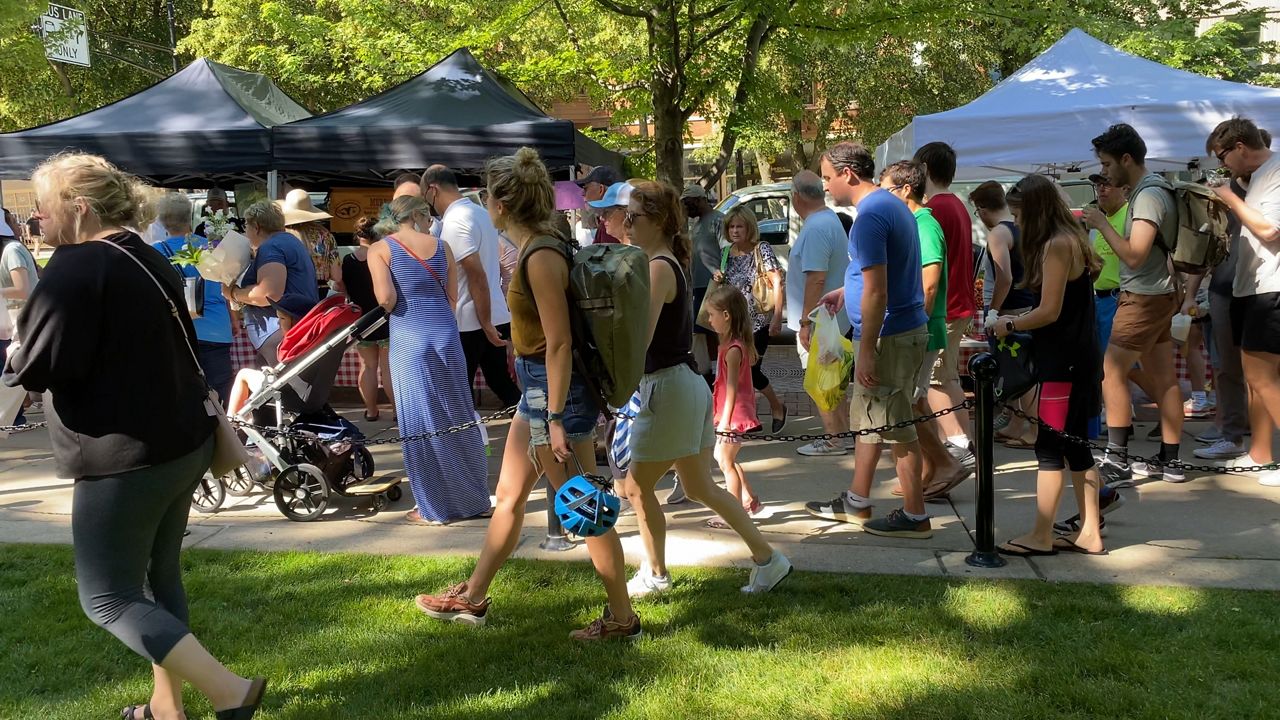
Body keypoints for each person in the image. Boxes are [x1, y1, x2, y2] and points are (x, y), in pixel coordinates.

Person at [3, 152, 266, 720]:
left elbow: (42, 365)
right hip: (180, 442)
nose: (36, 224)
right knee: (158, 575)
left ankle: (229, 691)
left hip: (124, 456)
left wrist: (20, 349)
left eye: (42, 212)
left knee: (107, 597)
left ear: (78, 209)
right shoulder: (143, 253)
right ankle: (166, 707)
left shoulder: (77, 266)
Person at [415, 148, 639, 640]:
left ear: (501, 201)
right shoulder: (544, 243)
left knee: (585, 506)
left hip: (554, 396)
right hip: (541, 392)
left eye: (487, 193)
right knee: (511, 496)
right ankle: (473, 597)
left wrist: (556, 417)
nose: (483, 200)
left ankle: (622, 619)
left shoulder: (539, 254)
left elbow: (559, 342)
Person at [619, 179, 791, 597]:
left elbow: (638, 339)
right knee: (699, 487)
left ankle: (655, 574)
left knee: (637, 487)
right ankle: (768, 559)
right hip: (683, 386)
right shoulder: (661, 262)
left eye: (633, 216)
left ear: (657, 221)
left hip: (668, 389)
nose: (625, 223)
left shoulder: (659, 265)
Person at [806, 141, 932, 539]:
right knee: (871, 424)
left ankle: (915, 515)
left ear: (848, 174)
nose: (826, 187)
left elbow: (877, 291)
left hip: (888, 337)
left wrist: (866, 350)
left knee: (898, 428)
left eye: (827, 178)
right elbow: (876, 275)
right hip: (895, 331)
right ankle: (856, 501)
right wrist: (847, 292)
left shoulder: (871, 217)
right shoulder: (889, 206)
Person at [992, 173, 1106, 555]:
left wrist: (1009, 323)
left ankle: (1042, 534)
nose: (1018, 223)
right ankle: (1089, 531)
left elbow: (1049, 311)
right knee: (1075, 447)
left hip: (1064, 365)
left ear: (1038, 211)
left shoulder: (1056, 244)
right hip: (1076, 357)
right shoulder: (1073, 239)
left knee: (1050, 447)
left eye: (1021, 215)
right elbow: (1087, 279)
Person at [367, 196, 491, 523]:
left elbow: (386, 299)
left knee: (420, 422)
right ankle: (474, 499)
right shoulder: (442, 247)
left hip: (410, 337)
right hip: (446, 336)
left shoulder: (380, 249)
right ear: (420, 215)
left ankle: (433, 506)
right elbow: (452, 298)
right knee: (458, 416)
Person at [1085, 123, 1185, 484]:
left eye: (1108, 164)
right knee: (1164, 378)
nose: (1106, 173)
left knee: (1112, 372)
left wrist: (1100, 223)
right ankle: (1170, 461)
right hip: (1158, 294)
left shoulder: (1147, 195)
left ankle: (1117, 458)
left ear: (1127, 159)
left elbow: (1134, 255)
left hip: (1143, 296)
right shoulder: (1153, 189)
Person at [880, 161, 970, 499]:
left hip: (922, 329)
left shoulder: (924, 225)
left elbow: (929, 285)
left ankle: (944, 464)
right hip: (919, 328)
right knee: (915, 403)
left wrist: (913, 329)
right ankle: (934, 469)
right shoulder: (912, 223)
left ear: (905, 190)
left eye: (886, 188)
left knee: (908, 404)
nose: (881, 196)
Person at [1206, 116, 1280, 488]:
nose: (1222, 165)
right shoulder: (1256, 178)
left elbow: (1269, 230)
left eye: (1222, 156)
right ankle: (1260, 453)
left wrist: (1230, 198)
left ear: (1239, 147)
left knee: (1264, 379)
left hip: (1273, 288)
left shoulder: (1277, 171)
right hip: (1252, 288)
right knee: (1255, 378)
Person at [422, 164, 521, 409]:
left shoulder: (456, 221)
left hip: (472, 320)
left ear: (433, 189)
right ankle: (531, 429)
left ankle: (463, 442)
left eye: (424, 194)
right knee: (500, 382)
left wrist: (485, 323)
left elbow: (475, 273)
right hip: (490, 313)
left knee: (459, 389)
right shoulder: (478, 212)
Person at [913, 141, 975, 466]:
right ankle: (963, 449)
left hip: (943, 308)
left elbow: (930, 271)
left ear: (923, 169)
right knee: (948, 378)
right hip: (957, 304)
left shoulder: (935, 208)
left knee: (934, 382)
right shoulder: (957, 205)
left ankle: (957, 447)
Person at [970, 180, 1040, 449]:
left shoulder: (999, 233)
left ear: (982, 208)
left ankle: (1034, 430)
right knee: (1015, 371)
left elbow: (1004, 277)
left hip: (1010, 309)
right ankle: (1016, 424)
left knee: (1022, 373)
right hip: (1024, 305)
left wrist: (994, 311)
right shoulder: (1019, 228)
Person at [788, 170, 853, 457]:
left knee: (821, 381)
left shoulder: (816, 227)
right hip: (830, 318)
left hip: (821, 321)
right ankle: (843, 435)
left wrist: (805, 322)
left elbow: (816, 278)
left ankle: (833, 439)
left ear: (796, 197)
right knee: (832, 380)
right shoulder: (827, 221)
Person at [711, 205, 788, 432]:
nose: (735, 231)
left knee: (752, 370)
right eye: (731, 226)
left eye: (739, 226)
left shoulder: (761, 249)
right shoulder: (726, 252)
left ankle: (777, 407)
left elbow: (777, 284)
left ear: (749, 227)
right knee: (735, 371)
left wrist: (776, 318)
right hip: (731, 322)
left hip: (757, 322)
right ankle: (746, 417)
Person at [153, 192, 235, 405]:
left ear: (162, 222)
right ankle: (225, 435)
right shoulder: (213, 247)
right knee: (220, 396)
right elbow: (228, 287)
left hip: (177, 330)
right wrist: (234, 320)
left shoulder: (155, 253)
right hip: (217, 328)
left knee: (183, 396)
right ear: (190, 218)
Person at [226, 201, 319, 366]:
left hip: (280, 332)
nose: (245, 231)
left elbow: (268, 294)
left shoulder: (271, 246)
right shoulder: (290, 241)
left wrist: (233, 293)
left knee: (285, 389)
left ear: (257, 227)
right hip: (290, 329)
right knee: (265, 386)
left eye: (246, 225)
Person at [705, 284, 763, 526]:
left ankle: (734, 512)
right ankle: (750, 499)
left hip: (734, 416)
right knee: (724, 459)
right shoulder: (729, 346)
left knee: (725, 462)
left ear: (726, 316)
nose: (709, 320)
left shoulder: (733, 350)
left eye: (711, 315)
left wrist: (725, 421)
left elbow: (732, 389)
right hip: (729, 413)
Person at [330, 216, 394, 422]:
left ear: (358, 236)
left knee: (367, 367)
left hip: (362, 319)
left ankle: (371, 410)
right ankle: (396, 411)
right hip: (385, 317)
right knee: (388, 369)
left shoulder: (348, 260)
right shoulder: (385, 256)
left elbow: (341, 286)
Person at [682, 183, 725, 384]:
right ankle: (706, 373)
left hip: (713, 285)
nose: (686, 209)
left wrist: (722, 271)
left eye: (689, 204)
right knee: (700, 332)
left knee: (715, 331)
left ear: (700, 200)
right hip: (699, 286)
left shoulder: (718, 220)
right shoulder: (697, 224)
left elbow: (726, 249)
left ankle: (719, 373)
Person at [279, 188, 337, 294]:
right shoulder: (325, 234)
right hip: (320, 291)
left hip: (290, 290)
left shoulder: (281, 235)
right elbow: (337, 275)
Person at [577, 165, 623, 244]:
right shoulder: (606, 223)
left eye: (585, 188)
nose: (582, 194)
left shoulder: (612, 223)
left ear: (601, 189)